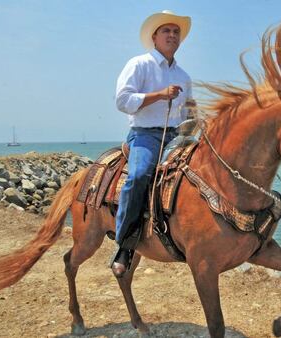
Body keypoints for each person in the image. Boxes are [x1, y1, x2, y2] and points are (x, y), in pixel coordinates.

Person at [112, 10, 192, 277]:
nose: (172, 35)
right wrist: (159, 95)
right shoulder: (139, 64)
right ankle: (125, 245)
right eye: (166, 31)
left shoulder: (183, 76)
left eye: (176, 32)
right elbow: (123, 101)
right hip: (145, 134)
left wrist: (197, 117)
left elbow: (186, 115)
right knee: (138, 175)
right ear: (155, 37)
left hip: (175, 136)